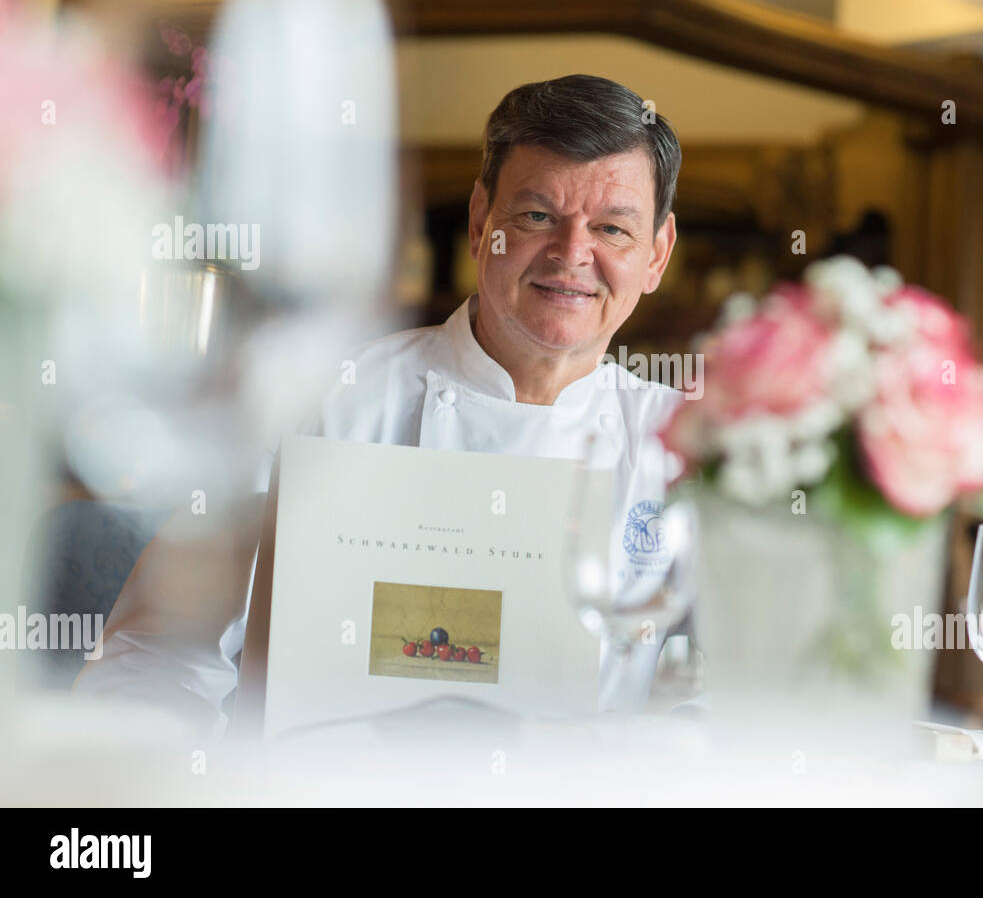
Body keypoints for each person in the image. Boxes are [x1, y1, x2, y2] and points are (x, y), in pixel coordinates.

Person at [73, 74, 684, 737]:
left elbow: (734, 704)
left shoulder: (692, 449)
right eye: (536, 216)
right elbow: (156, 654)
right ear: (482, 224)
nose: (572, 253)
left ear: (656, 255)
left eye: (612, 229)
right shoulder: (320, 399)